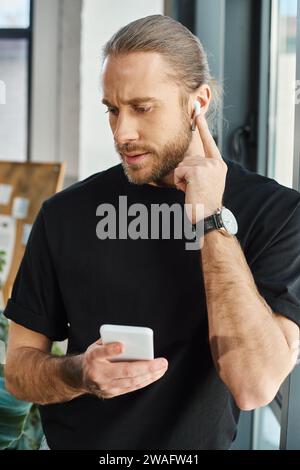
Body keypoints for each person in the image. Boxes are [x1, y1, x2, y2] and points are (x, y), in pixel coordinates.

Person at [3, 15, 300, 450]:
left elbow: (254, 385)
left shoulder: (276, 213)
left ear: (197, 103)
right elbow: (18, 371)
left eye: (142, 108)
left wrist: (212, 218)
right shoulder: (65, 213)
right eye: (112, 109)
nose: (123, 132)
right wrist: (78, 373)